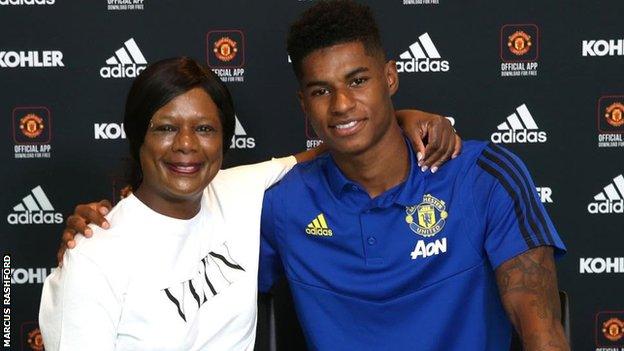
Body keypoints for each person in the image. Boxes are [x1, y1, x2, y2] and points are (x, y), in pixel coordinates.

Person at [42, 56, 459, 350]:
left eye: (204, 128)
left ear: (224, 140)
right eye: (166, 128)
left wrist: (403, 117)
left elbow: (339, 144)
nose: (185, 146)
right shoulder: (94, 256)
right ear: (138, 138)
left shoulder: (239, 191)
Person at [257, 1, 568, 350]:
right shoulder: (282, 204)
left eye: (357, 80)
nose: (341, 104)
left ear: (390, 77)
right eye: (321, 91)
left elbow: (543, 335)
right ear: (303, 103)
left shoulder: (483, 177)